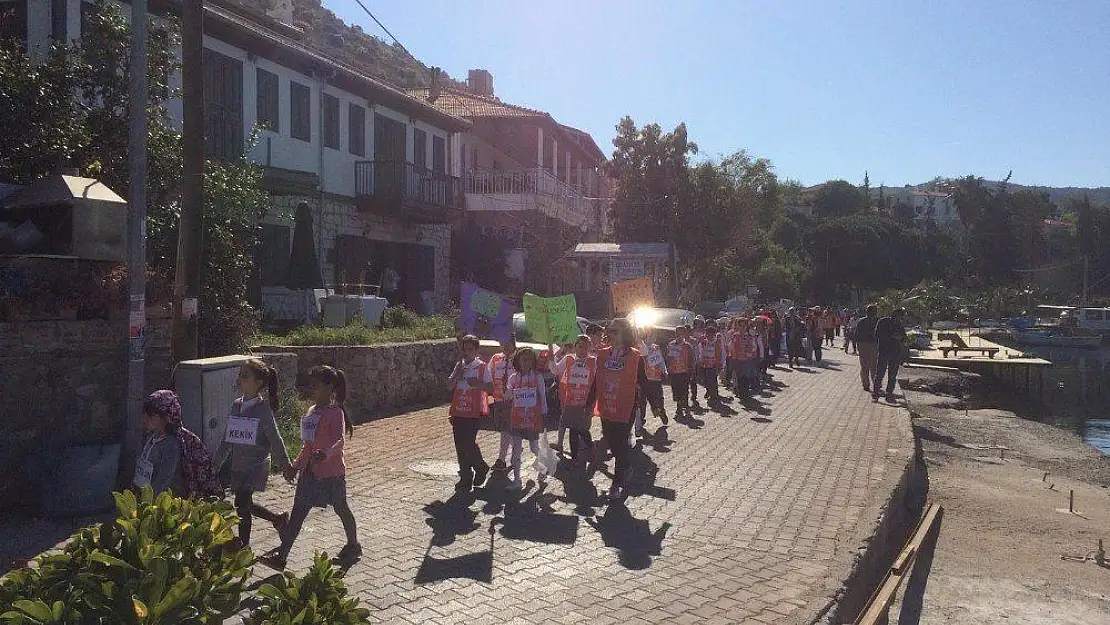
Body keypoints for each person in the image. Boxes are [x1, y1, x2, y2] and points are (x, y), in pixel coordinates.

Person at [264, 366, 359, 569]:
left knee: (342, 508)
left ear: (329, 387)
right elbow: (308, 446)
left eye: (316, 385)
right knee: (297, 513)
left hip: (332, 474)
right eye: (311, 384)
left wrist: (325, 453)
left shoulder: (336, 413)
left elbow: (339, 440)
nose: (311, 388)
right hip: (310, 473)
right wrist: (295, 466)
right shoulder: (310, 412)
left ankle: (353, 544)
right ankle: (282, 556)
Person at [213, 359, 293, 550]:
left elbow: (275, 438)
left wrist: (286, 465)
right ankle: (278, 519)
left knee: (241, 503)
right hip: (238, 465)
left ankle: (244, 546)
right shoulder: (236, 406)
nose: (239, 379)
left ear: (258, 383)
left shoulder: (263, 410)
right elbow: (227, 438)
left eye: (245, 376)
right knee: (244, 503)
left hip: (256, 465)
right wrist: (214, 464)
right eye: (240, 374)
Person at [592, 319, 648, 500]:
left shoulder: (635, 356)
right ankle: (625, 467)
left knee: (621, 443)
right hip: (607, 406)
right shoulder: (602, 355)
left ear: (625, 333)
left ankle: (616, 484)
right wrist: (587, 404)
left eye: (615, 331)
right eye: (610, 331)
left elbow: (643, 381)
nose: (611, 335)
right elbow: (596, 380)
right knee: (611, 442)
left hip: (625, 407)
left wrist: (655, 405)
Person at [134, 390, 221, 499]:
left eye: (151, 416)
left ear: (166, 417)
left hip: (166, 503)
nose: (145, 419)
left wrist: (147, 502)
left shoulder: (171, 443)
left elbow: (164, 478)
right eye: (145, 415)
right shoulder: (151, 437)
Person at [446, 335, 493, 492]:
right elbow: (449, 386)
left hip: (473, 412)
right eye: (464, 349)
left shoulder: (482, 366)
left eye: (470, 349)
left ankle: (480, 467)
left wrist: (477, 384)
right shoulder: (460, 365)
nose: (467, 352)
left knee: (468, 444)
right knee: (460, 446)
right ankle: (465, 477)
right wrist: (457, 374)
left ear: (476, 350)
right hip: (458, 410)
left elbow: (490, 387)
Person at [550, 335, 598, 468]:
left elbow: (597, 381)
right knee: (573, 429)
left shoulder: (593, 361)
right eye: (580, 346)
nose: (583, 350)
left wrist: (591, 401)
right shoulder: (569, 359)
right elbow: (555, 370)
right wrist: (554, 354)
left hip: (586, 401)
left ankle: (589, 448)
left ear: (590, 347)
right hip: (570, 401)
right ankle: (576, 457)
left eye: (586, 347)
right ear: (575, 346)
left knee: (581, 429)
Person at [506, 347, 550, 490]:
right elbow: (507, 395)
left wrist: (544, 415)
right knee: (516, 450)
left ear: (533, 362)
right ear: (518, 361)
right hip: (517, 419)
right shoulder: (513, 378)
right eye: (523, 359)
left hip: (532, 419)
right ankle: (517, 480)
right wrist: (508, 391)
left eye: (529, 359)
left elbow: (542, 397)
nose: (526, 362)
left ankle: (543, 466)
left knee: (533, 447)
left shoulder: (537, 377)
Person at [488, 335, 517, 473]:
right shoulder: (496, 358)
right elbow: (488, 375)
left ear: (513, 343)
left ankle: (501, 460)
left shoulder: (519, 359)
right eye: (502, 343)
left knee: (506, 430)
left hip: (513, 401)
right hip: (498, 399)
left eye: (508, 343)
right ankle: (516, 447)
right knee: (503, 429)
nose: (505, 346)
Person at [637, 327, 669, 434]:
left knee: (659, 397)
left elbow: (660, 360)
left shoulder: (656, 348)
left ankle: (661, 411)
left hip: (656, 378)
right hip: (644, 379)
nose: (652, 337)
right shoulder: (640, 347)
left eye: (654, 335)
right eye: (650, 335)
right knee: (642, 400)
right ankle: (641, 418)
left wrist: (664, 370)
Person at [873, 308, 908, 401]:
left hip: (895, 352)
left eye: (900, 317)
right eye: (897, 316)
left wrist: (900, 338)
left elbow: (904, 338)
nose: (898, 319)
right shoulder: (883, 322)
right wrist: (891, 336)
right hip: (884, 351)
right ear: (892, 314)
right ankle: (876, 393)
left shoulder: (900, 325)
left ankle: (889, 393)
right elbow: (876, 335)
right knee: (880, 373)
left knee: (892, 375)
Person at [666, 325, 696, 420]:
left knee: (684, 389)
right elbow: (668, 357)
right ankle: (679, 403)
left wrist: (691, 370)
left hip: (684, 372)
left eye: (681, 333)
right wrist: (667, 369)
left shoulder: (687, 346)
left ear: (684, 334)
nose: (679, 335)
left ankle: (683, 405)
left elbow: (691, 359)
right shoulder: (671, 344)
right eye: (677, 333)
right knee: (676, 390)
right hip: (674, 372)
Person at [855, 305, 880, 392]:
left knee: (872, 366)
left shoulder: (877, 321)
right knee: (866, 366)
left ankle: (874, 384)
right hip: (865, 344)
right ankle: (867, 385)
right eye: (875, 311)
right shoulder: (863, 321)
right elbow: (857, 334)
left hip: (871, 344)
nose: (876, 312)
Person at [697, 322, 724, 403]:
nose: (709, 335)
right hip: (704, 364)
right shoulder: (703, 342)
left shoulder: (717, 342)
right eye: (707, 334)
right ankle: (708, 390)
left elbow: (722, 353)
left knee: (713, 380)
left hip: (713, 364)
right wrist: (700, 360)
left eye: (711, 334)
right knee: (705, 380)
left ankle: (714, 395)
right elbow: (700, 351)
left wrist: (720, 363)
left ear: (714, 334)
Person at [689, 316, 706, 407]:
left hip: (699, 352)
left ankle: (694, 394)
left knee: (695, 374)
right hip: (691, 353)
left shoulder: (704, 332)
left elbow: (704, 342)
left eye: (700, 322)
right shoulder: (691, 330)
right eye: (697, 322)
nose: (698, 323)